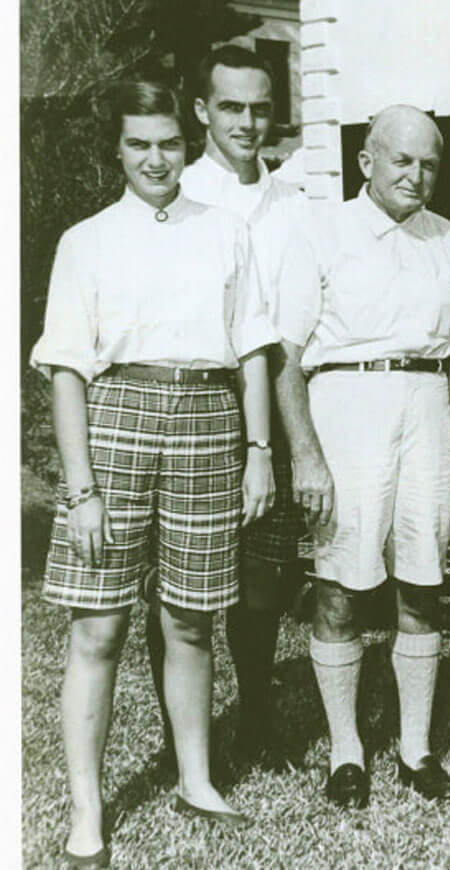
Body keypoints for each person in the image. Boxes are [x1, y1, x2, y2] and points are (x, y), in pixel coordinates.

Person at [30, 80, 277, 864]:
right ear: (119, 149)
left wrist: (259, 451)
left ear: (188, 139)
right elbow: (68, 371)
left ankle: (197, 780)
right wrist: (81, 490)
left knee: (189, 619)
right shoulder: (87, 240)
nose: (156, 158)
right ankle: (86, 812)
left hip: (210, 419)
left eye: (168, 142)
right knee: (98, 627)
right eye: (139, 143)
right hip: (116, 424)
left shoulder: (228, 231)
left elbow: (255, 352)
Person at [273, 105, 450, 809]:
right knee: (338, 585)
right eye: (401, 161)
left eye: (429, 164)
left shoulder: (446, 238)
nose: (416, 176)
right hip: (346, 408)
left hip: (428, 409)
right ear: (367, 162)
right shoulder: (319, 230)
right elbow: (286, 359)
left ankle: (416, 748)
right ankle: (347, 751)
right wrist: (306, 455)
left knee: (423, 581)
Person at [143, 45, 310, 766]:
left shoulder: (294, 202)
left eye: (261, 106)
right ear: (201, 111)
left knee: (264, 576)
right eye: (232, 107)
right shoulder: (176, 197)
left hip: (273, 398)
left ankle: (257, 716)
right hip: (199, 404)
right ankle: (187, 739)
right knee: (179, 582)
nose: (248, 121)